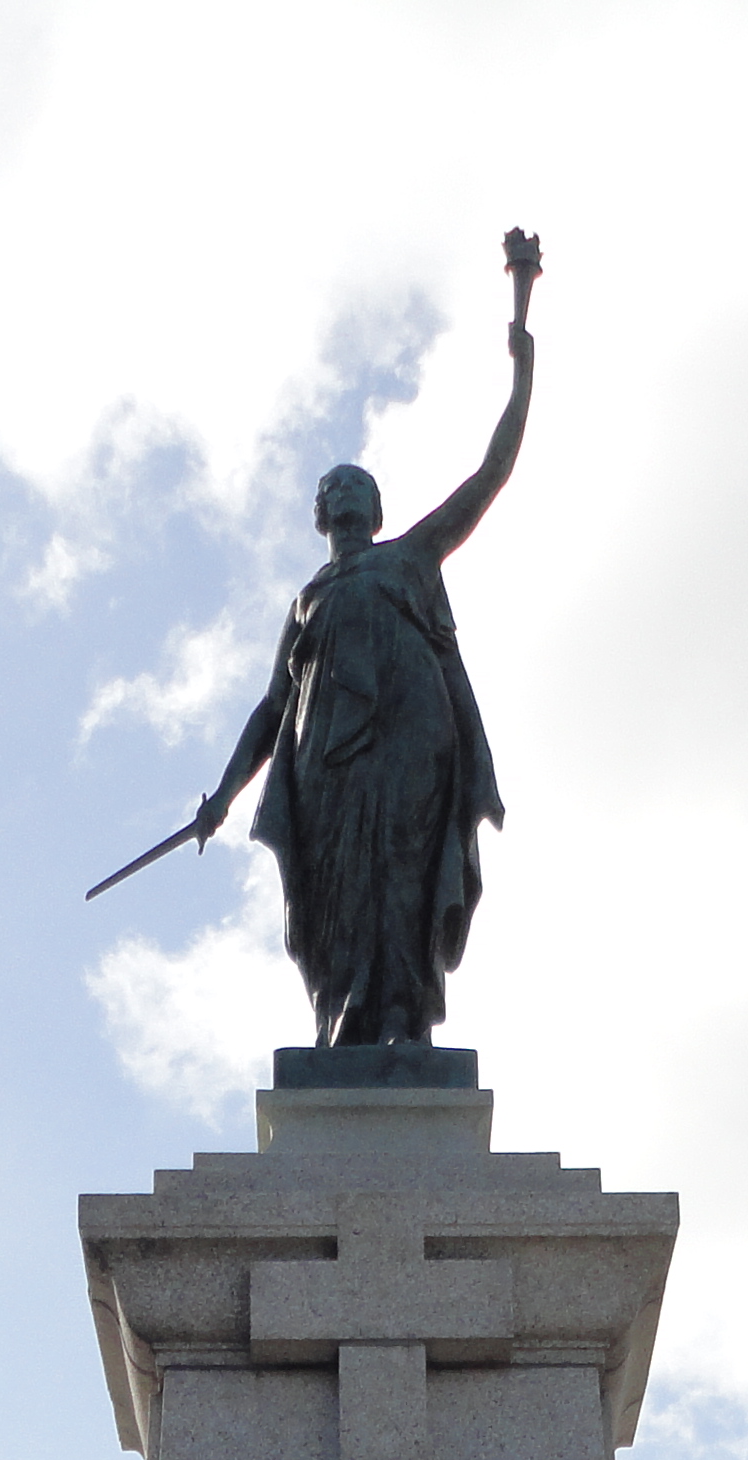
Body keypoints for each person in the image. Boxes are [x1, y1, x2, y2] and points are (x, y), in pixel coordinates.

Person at [188, 294, 533, 1045]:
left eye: (357, 484)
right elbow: (274, 706)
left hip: (411, 741)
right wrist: (222, 793)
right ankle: (341, 1018)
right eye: (331, 486)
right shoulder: (308, 600)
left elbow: (490, 475)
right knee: (334, 888)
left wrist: (522, 367)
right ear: (320, 514)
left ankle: (406, 1020)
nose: (343, 488)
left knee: (400, 872)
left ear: (376, 511)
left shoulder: (407, 559)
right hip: (324, 761)